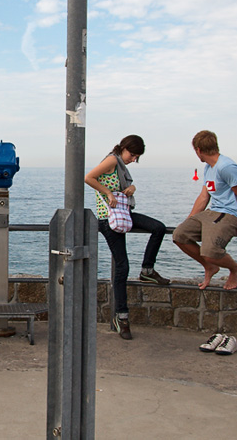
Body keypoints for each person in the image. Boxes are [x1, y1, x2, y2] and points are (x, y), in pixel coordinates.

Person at [84, 135, 170, 340]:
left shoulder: (121, 164)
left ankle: (147, 270)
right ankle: (121, 317)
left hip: (124, 214)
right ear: (124, 149)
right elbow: (88, 178)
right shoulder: (113, 160)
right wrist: (109, 194)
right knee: (122, 266)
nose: (134, 159)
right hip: (108, 218)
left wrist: (132, 189)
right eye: (132, 155)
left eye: (137, 157)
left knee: (159, 228)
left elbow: (123, 188)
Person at [173, 130, 237, 291]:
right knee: (179, 235)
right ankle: (209, 267)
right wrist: (189, 220)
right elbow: (204, 197)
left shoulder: (227, 167)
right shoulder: (208, 168)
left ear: (198, 150)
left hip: (231, 214)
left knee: (210, 251)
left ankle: (235, 269)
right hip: (213, 213)